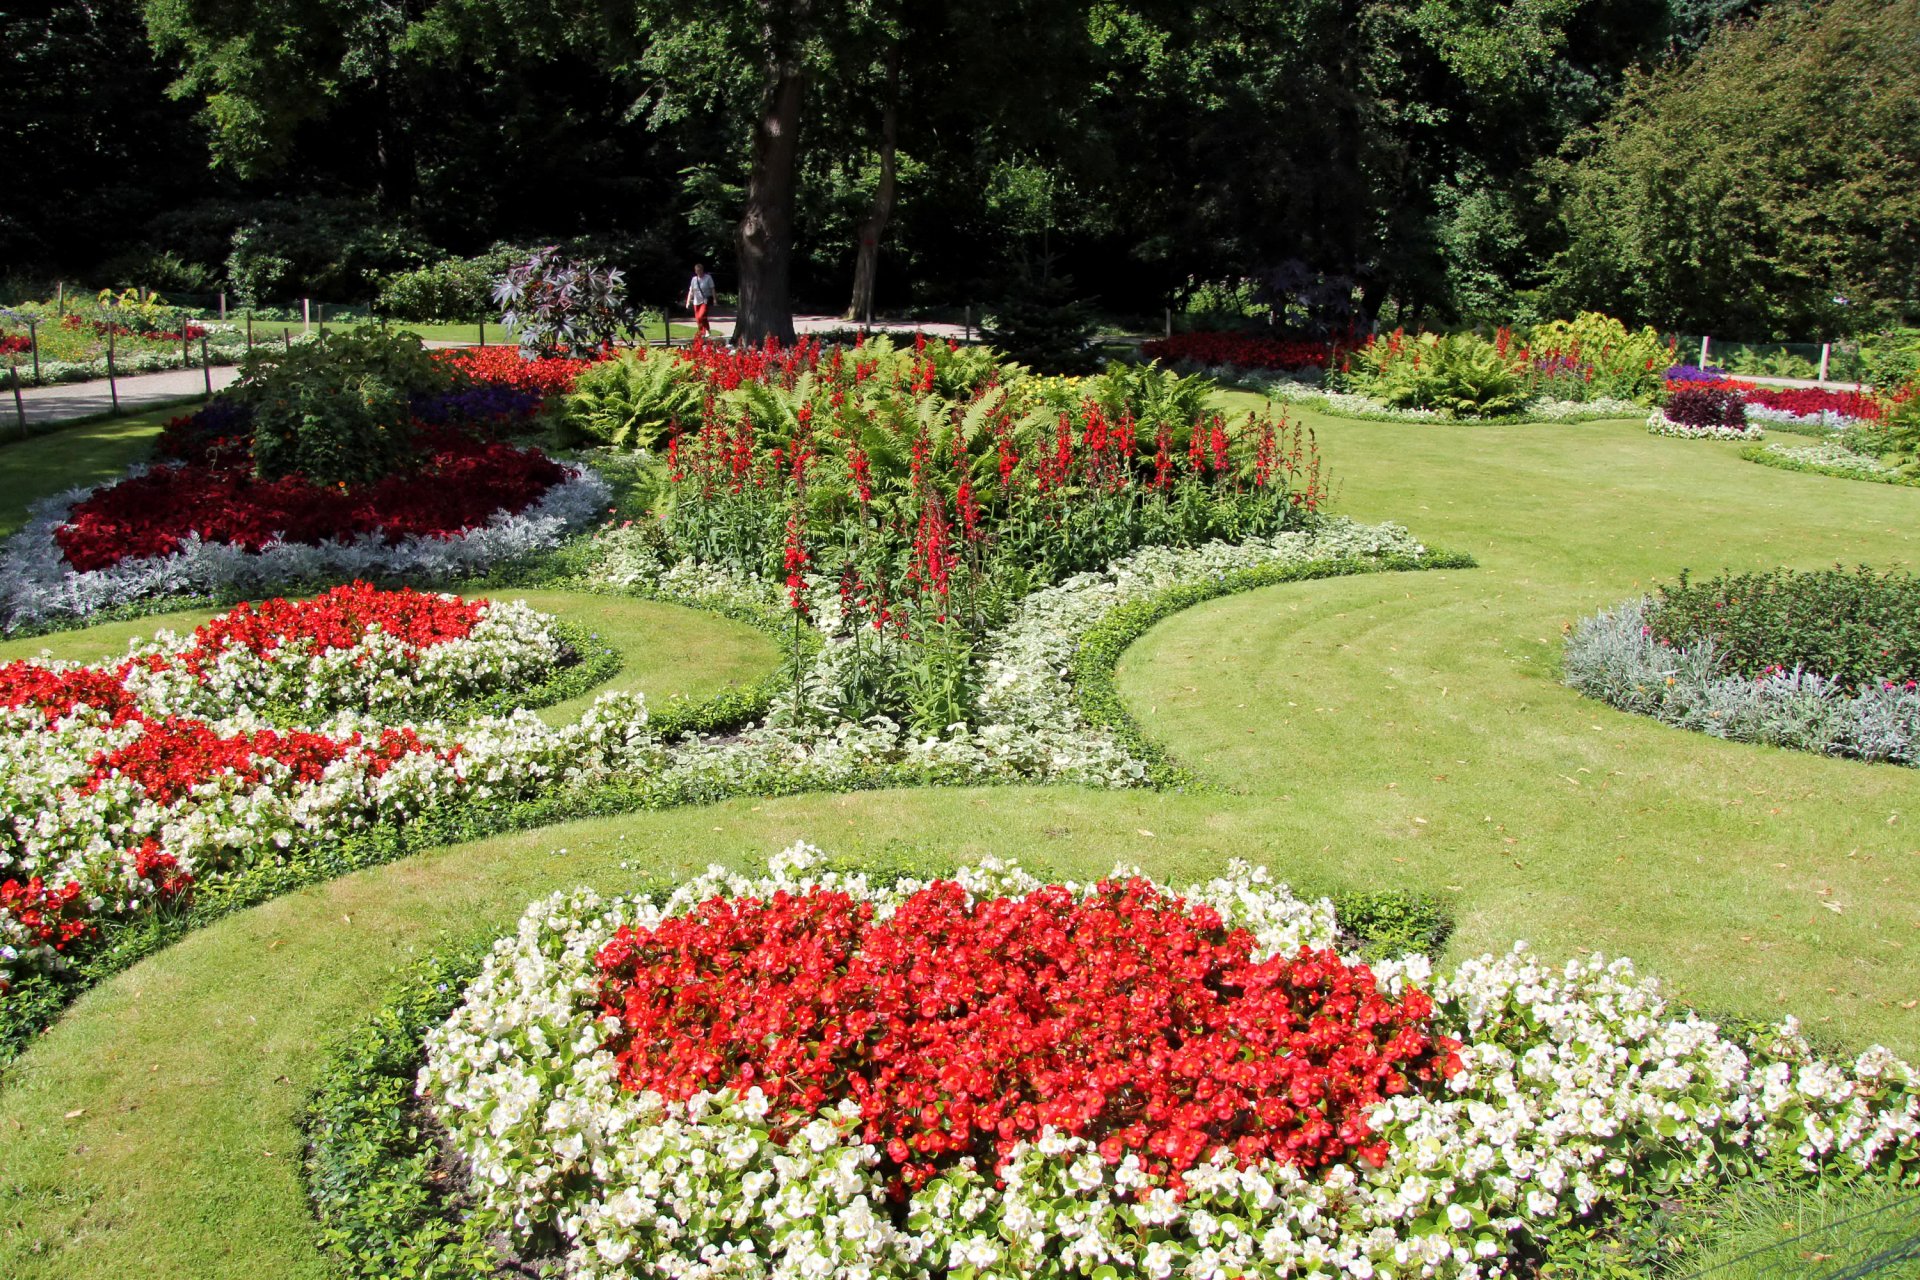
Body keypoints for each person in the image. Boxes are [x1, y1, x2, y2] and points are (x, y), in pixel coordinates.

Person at [685, 262, 717, 339]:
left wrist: (715, 299)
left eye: (700, 270)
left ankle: (706, 330)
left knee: (701, 316)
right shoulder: (694, 279)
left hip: (705, 300)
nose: (698, 272)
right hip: (696, 301)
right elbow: (691, 291)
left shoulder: (708, 278)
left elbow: (712, 289)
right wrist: (688, 301)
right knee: (698, 319)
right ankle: (702, 332)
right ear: (695, 271)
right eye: (697, 271)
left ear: (702, 270)